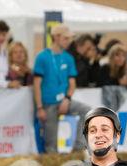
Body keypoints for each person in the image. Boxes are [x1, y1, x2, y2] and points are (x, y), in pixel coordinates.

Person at [33, 23, 90, 153]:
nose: (69, 41)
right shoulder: (42, 57)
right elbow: (36, 84)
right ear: (56, 37)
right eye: (66, 38)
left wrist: (67, 98)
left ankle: (78, 149)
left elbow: (72, 83)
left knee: (88, 112)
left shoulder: (68, 58)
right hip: (48, 104)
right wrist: (40, 107)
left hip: (64, 101)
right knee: (51, 147)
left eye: (69, 38)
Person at [97, 44, 127, 111]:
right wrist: (118, 82)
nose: (121, 58)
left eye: (123, 56)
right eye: (117, 55)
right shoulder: (105, 68)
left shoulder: (123, 71)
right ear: (111, 57)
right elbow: (101, 83)